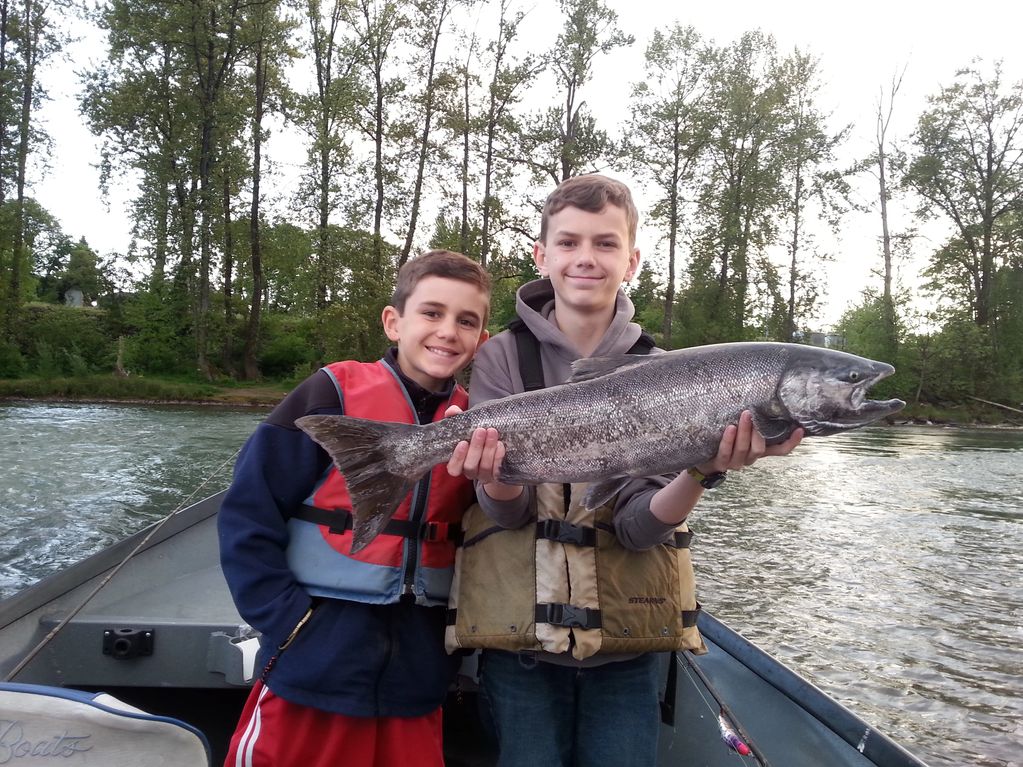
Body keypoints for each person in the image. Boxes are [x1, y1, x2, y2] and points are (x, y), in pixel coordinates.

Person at [445, 174, 803, 767]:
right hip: (522, 654)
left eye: (606, 244)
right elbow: (505, 512)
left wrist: (703, 471)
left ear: (631, 260)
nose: (586, 257)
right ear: (542, 255)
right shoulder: (501, 356)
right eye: (569, 242)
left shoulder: (668, 372)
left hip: (627, 657)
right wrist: (496, 474)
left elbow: (638, 530)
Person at [218, 249, 492, 767]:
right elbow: (247, 516)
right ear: (394, 321)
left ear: (481, 340)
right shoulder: (330, 391)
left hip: (417, 672)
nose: (447, 331)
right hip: (312, 658)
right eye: (432, 313)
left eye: (467, 321)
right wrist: (289, 622)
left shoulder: (481, 421)